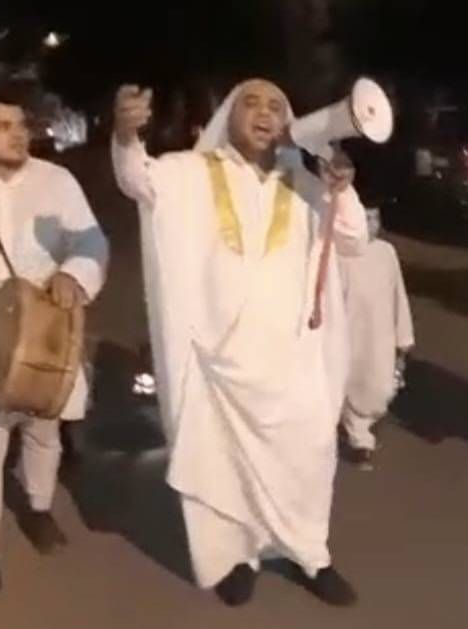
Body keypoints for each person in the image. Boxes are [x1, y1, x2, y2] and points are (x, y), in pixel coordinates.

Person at [112, 79, 367, 606]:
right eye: (251, 102)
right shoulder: (189, 172)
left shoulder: (308, 180)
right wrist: (125, 134)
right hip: (219, 359)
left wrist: (342, 188)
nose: (264, 113)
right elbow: (136, 177)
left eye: (276, 105)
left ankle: (310, 554)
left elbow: (353, 239)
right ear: (227, 114)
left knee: (307, 458)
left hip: (295, 359)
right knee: (224, 462)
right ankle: (237, 556)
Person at [0, 87, 109, 612]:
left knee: (43, 428)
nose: (17, 135)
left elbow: (91, 241)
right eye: (2, 126)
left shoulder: (57, 182)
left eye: (20, 125)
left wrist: (74, 274)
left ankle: (37, 508)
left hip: (44, 329)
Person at [338, 206, 413, 470]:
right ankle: (360, 441)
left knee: (379, 387)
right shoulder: (340, 253)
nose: (370, 224)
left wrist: (403, 339)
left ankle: (359, 427)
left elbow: (397, 294)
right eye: (365, 217)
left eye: (375, 218)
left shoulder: (386, 253)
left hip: (380, 336)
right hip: (349, 333)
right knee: (348, 383)